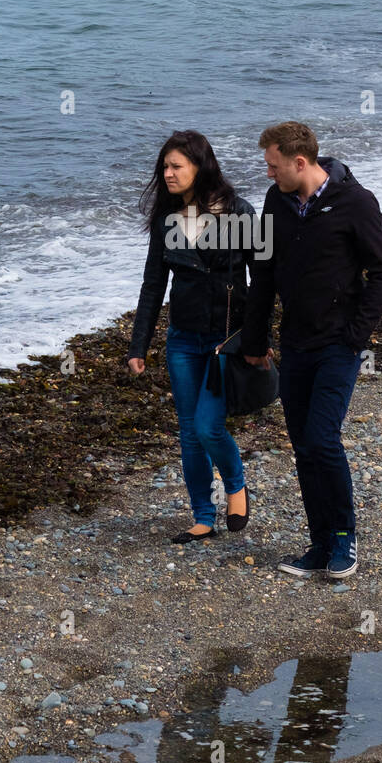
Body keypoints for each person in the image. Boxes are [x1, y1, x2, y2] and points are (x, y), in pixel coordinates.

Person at [241, 121, 382, 579]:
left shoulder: (355, 202)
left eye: (273, 166)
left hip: (337, 344)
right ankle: (318, 544)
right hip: (295, 343)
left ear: (300, 162)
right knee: (303, 447)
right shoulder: (277, 202)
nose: (268, 174)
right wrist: (255, 339)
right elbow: (264, 274)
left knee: (323, 439)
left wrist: (356, 336)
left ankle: (345, 539)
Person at [127, 130, 256, 543]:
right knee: (187, 430)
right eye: (164, 166)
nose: (167, 173)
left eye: (176, 166)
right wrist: (138, 345)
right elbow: (152, 285)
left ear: (200, 166)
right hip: (182, 338)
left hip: (225, 339)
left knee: (208, 427)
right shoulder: (167, 221)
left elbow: (264, 277)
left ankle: (235, 486)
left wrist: (258, 336)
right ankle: (203, 515)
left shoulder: (240, 213)